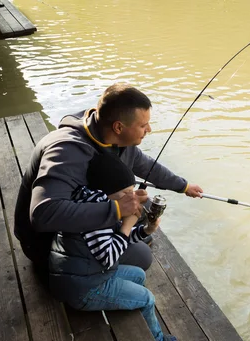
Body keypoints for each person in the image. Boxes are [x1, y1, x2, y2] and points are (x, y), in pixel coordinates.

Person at [14, 83, 203, 284]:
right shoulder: (66, 150)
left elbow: (146, 165)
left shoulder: (110, 135)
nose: (149, 129)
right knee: (142, 257)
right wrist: (116, 209)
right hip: (47, 246)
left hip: (81, 223)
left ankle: (120, 237)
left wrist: (183, 186)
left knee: (145, 207)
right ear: (119, 127)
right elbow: (43, 214)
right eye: (142, 125)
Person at [49, 152, 177, 341]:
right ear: (106, 191)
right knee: (147, 298)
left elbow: (115, 241)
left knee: (138, 274)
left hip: (82, 274)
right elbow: (109, 257)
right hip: (83, 289)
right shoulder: (96, 215)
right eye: (125, 193)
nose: (130, 198)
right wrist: (127, 225)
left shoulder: (96, 202)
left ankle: (125, 303)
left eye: (132, 192)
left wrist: (145, 230)